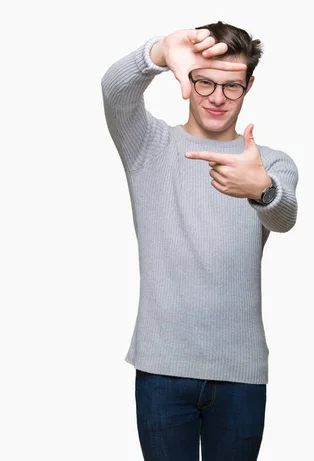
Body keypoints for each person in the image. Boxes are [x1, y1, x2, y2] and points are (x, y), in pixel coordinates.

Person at [101, 21, 299, 461]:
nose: (216, 96)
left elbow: (284, 217)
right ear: (187, 77)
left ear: (249, 84)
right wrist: (158, 51)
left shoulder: (269, 162)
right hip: (162, 369)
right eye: (204, 80)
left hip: (242, 372)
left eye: (231, 86)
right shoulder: (149, 145)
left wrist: (261, 188)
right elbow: (114, 91)